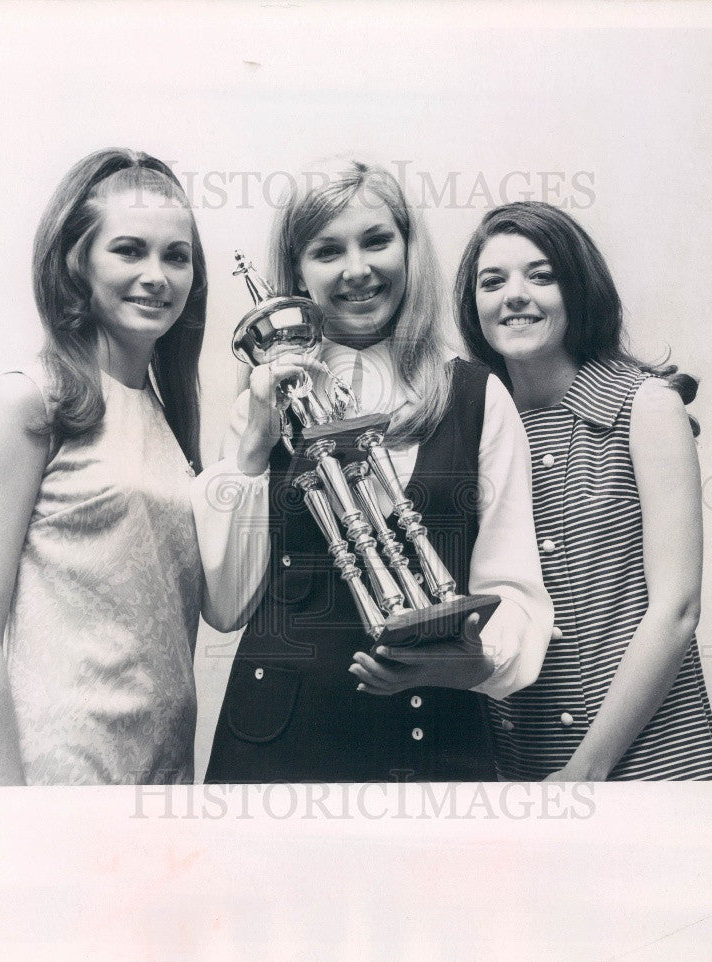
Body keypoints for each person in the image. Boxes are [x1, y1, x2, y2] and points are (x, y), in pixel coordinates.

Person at [194, 159, 552, 783]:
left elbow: (516, 588)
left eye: (377, 241)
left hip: (434, 745)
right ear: (296, 274)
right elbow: (225, 606)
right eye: (327, 250)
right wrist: (253, 445)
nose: (357, 269)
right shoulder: (258, 404)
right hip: (277, 753)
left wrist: (474, 663)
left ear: (409, 252)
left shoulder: (476, 395)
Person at [454, 201, 712, 781]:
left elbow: (676, 610)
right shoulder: (473, 429)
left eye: (541, 275)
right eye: (492, 281)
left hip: (652, 766)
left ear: (579, 288)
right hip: (523, 768)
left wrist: (587, 770)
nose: (514, 295)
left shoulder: (647, 404)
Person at [0, 148, 210, 785]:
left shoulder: (168, 419)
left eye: (176, 255)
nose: (157, 275)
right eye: (129, 250)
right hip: (61, 780)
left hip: (164, 780)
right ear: (77, 262)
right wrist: (3, 815)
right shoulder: (29, 400)